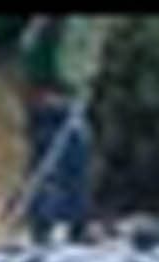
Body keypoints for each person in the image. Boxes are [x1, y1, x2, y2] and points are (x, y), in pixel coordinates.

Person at [17, 15, 108, 246]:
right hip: (49, 98)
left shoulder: (82, 24)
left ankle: (78, 222)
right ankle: (44, 225)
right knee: (49, 162)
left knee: (78, 156)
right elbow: (31, 56)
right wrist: (38, 93)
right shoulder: (46, 27)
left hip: (72, 97)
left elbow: (84, 56)